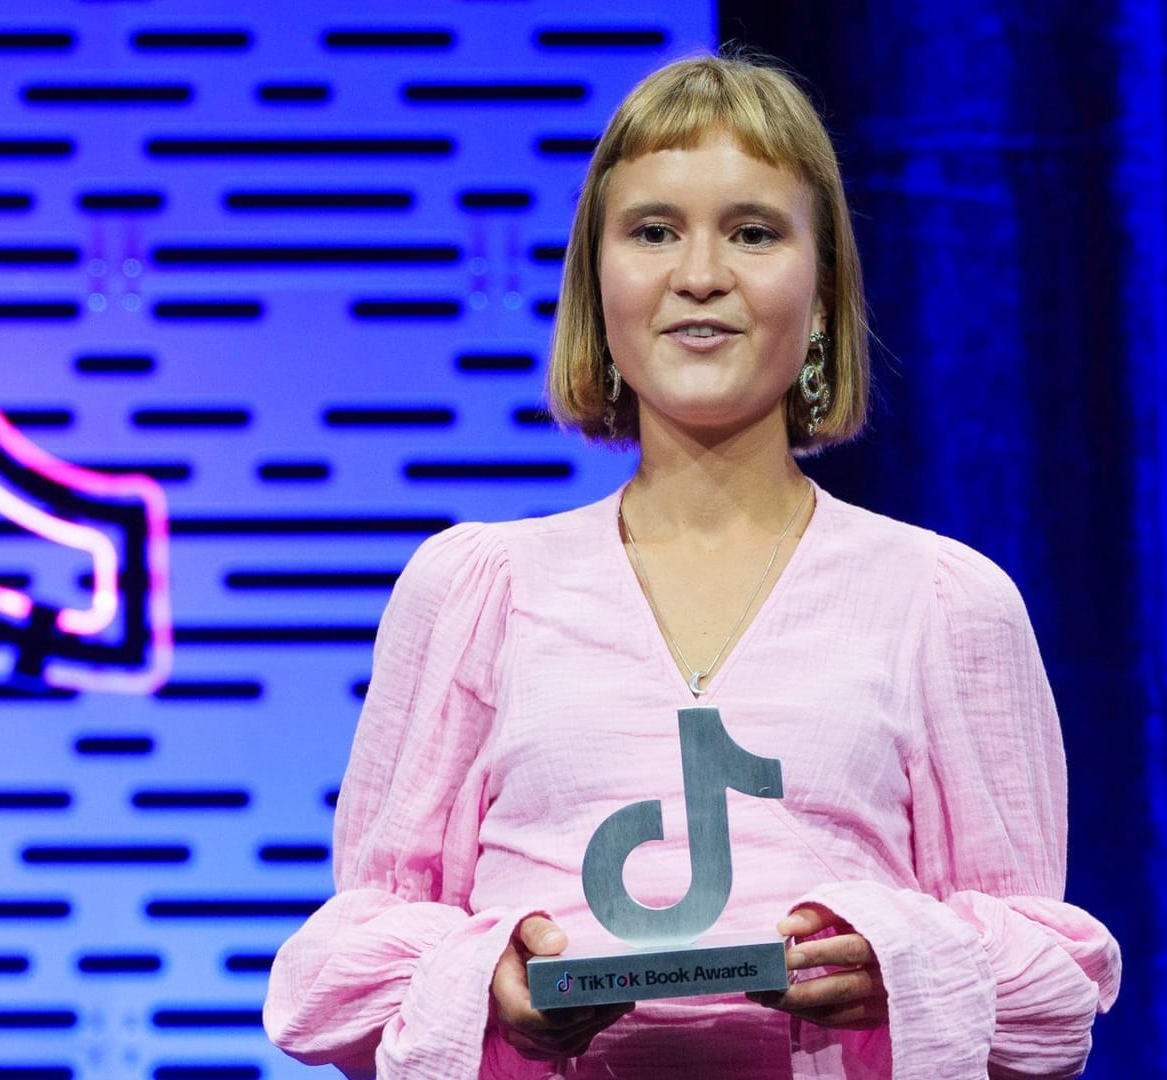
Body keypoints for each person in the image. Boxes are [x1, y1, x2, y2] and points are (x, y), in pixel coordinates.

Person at [264, 53, 1121, 1079]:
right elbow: (336, 971)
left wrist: (900, 966)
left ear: (821, 290)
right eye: (654, 231)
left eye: (753, 232)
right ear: (598, 285)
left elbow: (1053, 989)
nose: (701, 273)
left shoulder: (944, 602)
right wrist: (485, 981)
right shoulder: (474, 590)